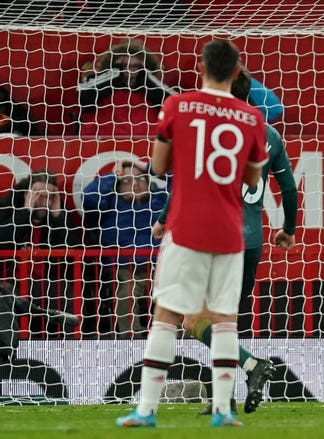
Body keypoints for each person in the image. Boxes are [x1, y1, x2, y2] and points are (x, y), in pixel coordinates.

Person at [116, 39, 268, 428]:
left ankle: (146, 410)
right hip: (229, 232)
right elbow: (252, 178)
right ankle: (221, 410)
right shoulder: (251, 118)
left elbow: (158, 166)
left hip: (185, 228)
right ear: (236, 73)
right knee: (224, 321)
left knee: (166, 315)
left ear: (202, 67)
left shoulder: (176, 106)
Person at [151, 67, 298, 415]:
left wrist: (162, 219)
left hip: (217, 236)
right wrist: (288, 229)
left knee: (193, 321)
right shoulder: (271, 135)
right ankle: (224, 401)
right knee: (222, 320)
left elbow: (190, 178)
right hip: (252, 242)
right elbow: (289, 189)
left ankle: (252, 366)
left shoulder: (215, 130)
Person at [82, 159, 168, 338]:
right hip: (126, 268)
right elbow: (89, 197)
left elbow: (181, 184)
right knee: (126, 292)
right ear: (118, 186)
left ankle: (174, 338)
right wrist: (113, 176)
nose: (135, 185)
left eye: (140, 179)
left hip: (162, 265)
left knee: (174, 293)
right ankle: (131, 339)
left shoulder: (162, 200)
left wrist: (150, 168)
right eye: (127, 181)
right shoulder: (109, 205)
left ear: (149, 181)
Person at [0, 170, 81, 336]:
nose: (44, 201)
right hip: (10, 282)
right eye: (39, 195)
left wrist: (58, 216)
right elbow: (4, 239)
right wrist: (26, 210)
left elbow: (71, 249)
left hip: (46, 282)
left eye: (50, 197)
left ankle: (69, 347)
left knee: (67, 293)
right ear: (26, 193)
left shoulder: (57, 216)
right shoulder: (7, 209)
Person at [76, 39, 177, 138]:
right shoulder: (98, 83)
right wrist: (116, 75)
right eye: (124, 65)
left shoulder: (153, 87)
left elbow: (174, 103)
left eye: (135, 66)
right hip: (101, 143)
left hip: (145, 143)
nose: (129, 71)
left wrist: (144, 79)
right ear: (114, 65)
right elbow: (83, 97)